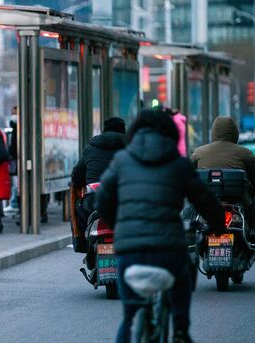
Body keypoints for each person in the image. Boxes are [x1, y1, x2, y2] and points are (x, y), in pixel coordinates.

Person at [96, 109, 225, 343]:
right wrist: (217, 226)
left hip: (128, 252)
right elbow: (206, 201)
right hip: (168, 250)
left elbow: (102, 199)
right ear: (171, 133)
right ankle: (180, 331)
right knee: (184, 274)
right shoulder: (179, 164)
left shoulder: (122, 160)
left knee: (130, 316)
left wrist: (120, 226)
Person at [70, 117, 126, 252]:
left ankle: (82, 243)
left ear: (104, 131)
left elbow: (76, 178)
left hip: (94, 201)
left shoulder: (91, 148)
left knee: (78, 206)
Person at [191, 116, 255, 227]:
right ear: (235, 133)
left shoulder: (199, 153)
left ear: (214, 133)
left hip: (206, 201)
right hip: (240, 202)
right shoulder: (245, 153)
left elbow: (188, 176)